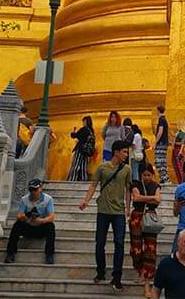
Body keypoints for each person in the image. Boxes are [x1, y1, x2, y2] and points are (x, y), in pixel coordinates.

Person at [79, 139, 132, 292]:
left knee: (120, 244)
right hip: (103, 211)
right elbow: (93, 185)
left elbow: (128, 189)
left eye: (126, 152)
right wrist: (86, 201)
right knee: (100, 243)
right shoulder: (102, 168)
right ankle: (101, 272)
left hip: (118, 212)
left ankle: (117, 277)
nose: (126, 154)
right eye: (124, 152)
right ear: (116, 152)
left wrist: (128, 207)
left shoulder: (127, 169)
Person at [5, 178, 55, 264]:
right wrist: (26, 218)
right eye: (31, 190)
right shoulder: (24, 199)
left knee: (50, 226)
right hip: (28, 226)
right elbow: (19, 215)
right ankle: (10, 253)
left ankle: (49, 255)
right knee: (17, 225)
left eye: (35, 189)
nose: (33, 192)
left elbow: (52, 216)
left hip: (40, 227)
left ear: (40, 188)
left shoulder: (48, 199)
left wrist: (42, 220)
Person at [130, 162, 162, 299]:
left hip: (150, 218)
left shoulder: (156, 186)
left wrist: (150, 199)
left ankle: (147, 280)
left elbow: (158, 200)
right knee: (136, 248)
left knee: (150, 249)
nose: (147, 177)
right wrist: (151, 198)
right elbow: (136, 197)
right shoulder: (135, 184)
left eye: (149, 175)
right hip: (137, 217)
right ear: (140, 174)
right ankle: (139, 271)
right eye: (144, 175)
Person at [67, 115, 95, 181]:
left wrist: (73, 133)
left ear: (86, 122)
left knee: (75, 165)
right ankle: (83, 180)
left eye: (84, 121)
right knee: (83, 167)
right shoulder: (91, 130)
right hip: (86, 151)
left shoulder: (84, 129)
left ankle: (71, 179)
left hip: (80, 149)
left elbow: (75, 136)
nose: (83, 123)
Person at [154, 104, 170, 185]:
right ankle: (163, 178)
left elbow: (160, 131)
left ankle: (164, 177)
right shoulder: (164, 119)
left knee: (159, 161)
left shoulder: (161, 120)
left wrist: (155, 141)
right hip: (164, 143)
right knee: (162, 161)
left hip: (161, 143)